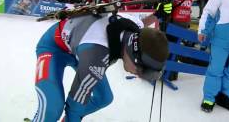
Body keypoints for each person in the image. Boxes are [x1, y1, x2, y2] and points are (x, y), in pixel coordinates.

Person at [32, 12, 169, 122]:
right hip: (54, 48)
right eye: (141, 70)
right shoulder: (96, 56)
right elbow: (74, 105)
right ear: (134, 56)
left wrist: (160, 13)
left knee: (104, 97)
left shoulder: (135, 31)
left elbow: (144, 23)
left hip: (80, 47)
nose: (139, 75)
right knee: (52, 107)